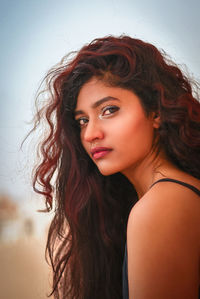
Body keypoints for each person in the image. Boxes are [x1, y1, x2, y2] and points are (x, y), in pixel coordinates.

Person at [32, 35, 200, 299]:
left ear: (155, 112)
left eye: (109, 110)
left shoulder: (161, 205)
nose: (90, 134)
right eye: (82, 120)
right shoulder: (175, 195)